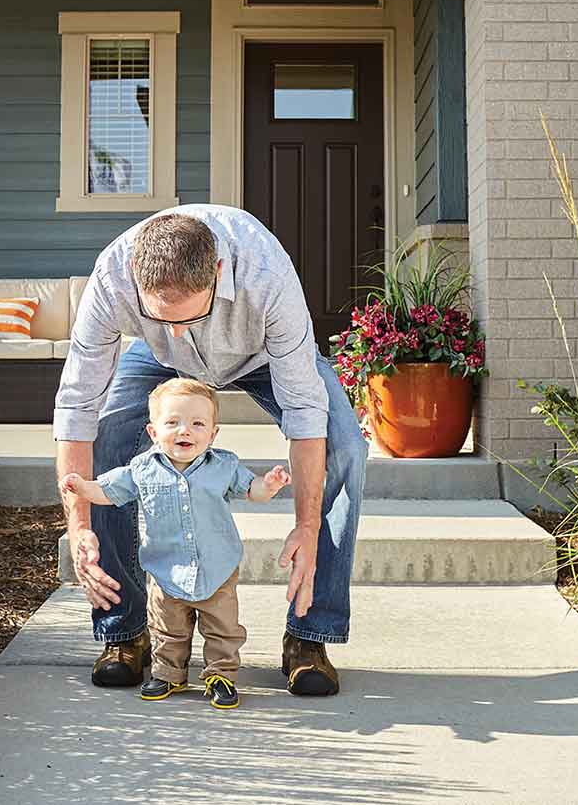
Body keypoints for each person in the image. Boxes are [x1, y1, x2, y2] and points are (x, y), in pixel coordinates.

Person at [54, 204, 366, 696]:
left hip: (261, 353)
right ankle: (125, 632)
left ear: (217, 273)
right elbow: (77, 406)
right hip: (157, 362)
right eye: (162, 316)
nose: (179, 329)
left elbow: (306, 412)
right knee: (112, 435)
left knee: (346, 446)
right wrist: (78, 526)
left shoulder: (266, 277)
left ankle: (310, 636)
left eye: (190, 315)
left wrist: (306, 525)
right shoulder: (113, 277)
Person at [61, 378, 292, 709]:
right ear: (154, 432)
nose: (186, 431)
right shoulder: (142, 470)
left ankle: (221, 674)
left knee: (223, 629)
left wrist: (268, 485)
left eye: (198, 424)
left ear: (213, 433)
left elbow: (252, 490)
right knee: (168, 629)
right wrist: (82, 487)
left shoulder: (223, 466)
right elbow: (109, 491)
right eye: (173, 422)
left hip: (217, 569)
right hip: (165, 569)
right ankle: (169, 674)